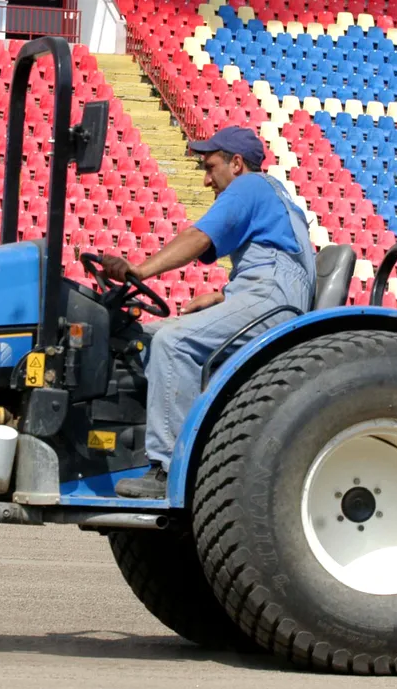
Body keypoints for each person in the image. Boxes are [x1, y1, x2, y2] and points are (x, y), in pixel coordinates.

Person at [99, 126, 318, 499]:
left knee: (173, 341)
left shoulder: (249, 187)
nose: (205, 179)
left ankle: (169, 468)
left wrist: (140, 270)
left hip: (273, 298)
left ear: (236, 164)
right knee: (146, 336)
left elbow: (197, 239)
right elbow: (270, 262)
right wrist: (221, 296)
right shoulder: (277, 196)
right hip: (268, 295)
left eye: (210, 166)